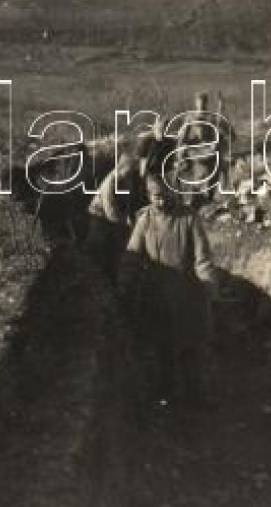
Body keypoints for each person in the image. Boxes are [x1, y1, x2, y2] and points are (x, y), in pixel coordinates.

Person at [117, 165, 222, 407]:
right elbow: (132, 258)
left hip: (186, 297)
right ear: (148, 195)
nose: (160, 201)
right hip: (156, 297)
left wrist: (209, 288)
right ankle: (167, 399)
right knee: (162, 348)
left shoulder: (188, 219)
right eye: (155, 197)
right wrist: (124, 287)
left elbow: (202, 259)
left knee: (191, 348)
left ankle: (196, 397)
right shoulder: (145, 221)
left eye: (164, 196)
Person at [83, 150, 145, 278]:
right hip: (98, 216)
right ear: (122, 167)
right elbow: (110, 211)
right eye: (129, 170)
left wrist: (129, 216)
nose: (131, 173)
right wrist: (126, 224)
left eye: (133, 170)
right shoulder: (110, 183)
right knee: (99, 246)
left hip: (115, 216)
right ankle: (94, 271)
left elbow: (127, 201)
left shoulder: (127, 180)